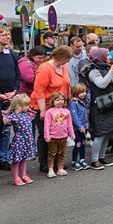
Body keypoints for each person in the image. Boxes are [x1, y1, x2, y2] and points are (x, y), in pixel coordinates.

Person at [30, 45, 72, 173]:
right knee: (45, 135)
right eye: (67, 59)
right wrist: (43, 110)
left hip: (59, 105)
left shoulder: (63, 66)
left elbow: (67, 84)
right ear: (61, 57)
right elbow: (39, 90)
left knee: (58, 133)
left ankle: (55, 162)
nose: (68, 62)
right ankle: (44, 163)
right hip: (44, 105)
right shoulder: (45, 68)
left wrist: (68, 98)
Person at [84, 47, 113, 170]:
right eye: (107, 55)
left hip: (110, 103)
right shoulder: (93, 70)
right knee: (100, 134)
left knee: (107, 133)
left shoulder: (107, 68)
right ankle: (94, 160)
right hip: (99, 106)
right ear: (100, 56)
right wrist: (111, 71)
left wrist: (111, 73)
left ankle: (102, 158)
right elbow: (101, 84)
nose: (110, 57)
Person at [0, 26, 21, 173]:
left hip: (9, 96)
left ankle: (3, 159)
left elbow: (18, 74)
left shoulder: (10, 53)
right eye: (4, 35)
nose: (8, 37)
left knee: (6, 130)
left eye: (8, 35)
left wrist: (14, 90)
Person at [6, 93, 36, 186]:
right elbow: (5, 120)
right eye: (26, 105)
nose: (28, 107)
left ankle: (23, 175)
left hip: (27, 140)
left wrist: (26, 108)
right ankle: (16, 178)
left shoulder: (26, 114)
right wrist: (15, 110)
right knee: (16, 160)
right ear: (19, 106)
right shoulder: (14, 116)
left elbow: (33, 112)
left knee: (23, 159)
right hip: (19, 140)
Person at [44, 91, 74, 178]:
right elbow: (47, 124)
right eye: (57, 100)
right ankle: (51, 169)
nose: (60, 101)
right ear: (52, 101)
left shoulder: (67, 111)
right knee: (52, 153)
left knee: (62, 153)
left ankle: (60, 168)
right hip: (53, 137)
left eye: (62, 100)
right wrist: (47, 135)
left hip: (64, 136)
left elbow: (69, 124)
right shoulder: (49, 112)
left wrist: (71, 133)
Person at [69, 83, 90, 170]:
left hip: (84, 127)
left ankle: (82, 159)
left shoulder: (84, 103)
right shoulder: (74, 103)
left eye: (84, 92)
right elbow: (75, 117)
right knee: (77, 144)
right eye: (81, 92)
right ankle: (74, 161)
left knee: (83, 143)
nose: (83, 94)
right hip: (77, 128)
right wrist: (80, 127)